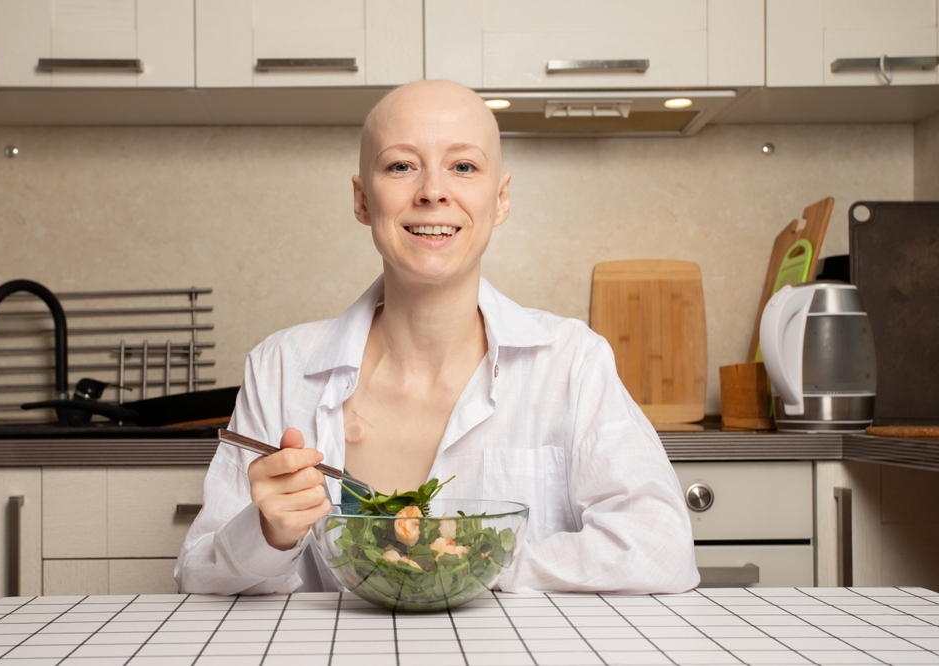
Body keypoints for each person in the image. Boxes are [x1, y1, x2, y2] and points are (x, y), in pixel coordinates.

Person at [175, 80, 699, 595]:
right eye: (401, 166)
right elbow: (199, 573)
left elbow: (660, 548)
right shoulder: (281, 367)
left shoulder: (572, 362)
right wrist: (270, 533)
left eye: (464, 166)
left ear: (500, 200)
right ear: (362, 200)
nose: (432, 191)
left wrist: (474, 564)